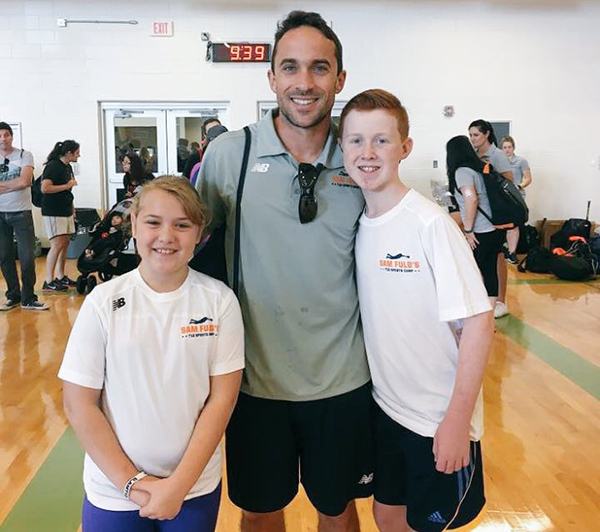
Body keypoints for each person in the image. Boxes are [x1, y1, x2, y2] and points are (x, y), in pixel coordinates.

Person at [197, 10, 372, 532]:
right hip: (253, 382)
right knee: (259, 509)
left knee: (338, 508)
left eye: (320, 68)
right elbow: (189, 251)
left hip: (344, 380)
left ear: (340, 79)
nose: (304, 82)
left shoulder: (362, 156)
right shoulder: (230, 155)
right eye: (290, 67)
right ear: (271, 77)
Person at [339, 89, 494, 532]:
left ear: (404, 147)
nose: (368, 153)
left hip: (437, 420)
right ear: (342, 148)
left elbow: (479, 323)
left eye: (381, 141)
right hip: (387, 411)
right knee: (387, 515)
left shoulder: (430, 224)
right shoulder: (358, 224)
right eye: (356, 140)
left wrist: (457, 421)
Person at [58, 176, 244, 532]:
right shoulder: (102, 302)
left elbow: (222, 400)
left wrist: (177, 486)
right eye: (153, 222)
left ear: (199, 232)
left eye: (182, 225)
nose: (166, 236)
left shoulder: (219, 301)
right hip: (113, 489)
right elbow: (79, 404)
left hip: (192, 487)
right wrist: (131, 483)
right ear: (133, 225)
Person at [447, 136, 505, 304]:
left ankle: (474, 312)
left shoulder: (462, 172)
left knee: (469, 272)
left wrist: (469, 230)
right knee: (489, 272)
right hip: (493, 228)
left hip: (479, 231)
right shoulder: (478, 168)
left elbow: (471, 199)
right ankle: (489, 314)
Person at [0, 121, 48, 311]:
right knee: (5, 257)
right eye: (0, 136)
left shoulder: (24, 155)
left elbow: (25, 181)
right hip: (0, 214)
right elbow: (18, 182)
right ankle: (13, 296)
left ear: (11, 136)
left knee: (27, 257)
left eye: (6, 135)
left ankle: (29, 297)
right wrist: (14, 184)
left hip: (21, 213)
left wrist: (5, 186)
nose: (3, 139)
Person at [468, 120, 513, 319]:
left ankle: (501, 300)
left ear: (486, 134)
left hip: (497, 213)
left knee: (498, 256)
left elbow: (509, 183)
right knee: (485, 258)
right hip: (481, 215)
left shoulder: (498, 156)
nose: (472, 139)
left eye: (476, 135)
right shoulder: (474, 155)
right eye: (470, 135)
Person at [41, 140, 80, 292]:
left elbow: (68, 192)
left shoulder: (67, 167)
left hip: (65, 209)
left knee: (65, 243)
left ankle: (61, 276)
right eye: (77, 153)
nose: (79, 155)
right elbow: (45, 188)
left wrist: (72, 209)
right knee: (57, 244)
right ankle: (48, 280)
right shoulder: (53, 166)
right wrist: (66, 186)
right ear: (68, 153)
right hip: (53, 210)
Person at [501, 135, 532, 264]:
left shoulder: (521, 161)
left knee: (514, 224)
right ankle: (504, 249)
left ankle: (512, 252)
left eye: (509, 147)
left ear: (513, 148)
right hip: (502, 196)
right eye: (504, 147)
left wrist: (519, 186)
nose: (507, 150)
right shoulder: (498, 162)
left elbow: (528, 178)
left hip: (516, 196)